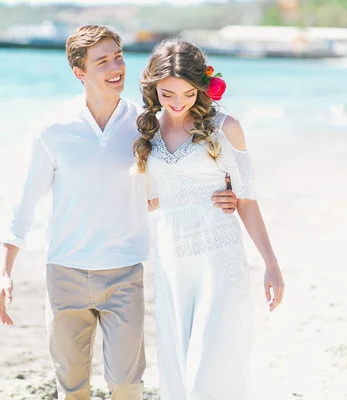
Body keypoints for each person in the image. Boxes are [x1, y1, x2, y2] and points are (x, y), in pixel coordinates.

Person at [0, 26, 238, 400]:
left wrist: (224, 193)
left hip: (124, 272)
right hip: (65, 273)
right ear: (80, 72)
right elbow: (23, 200)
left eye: (118, 57)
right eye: (103, 61)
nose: (116, 67)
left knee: (127, 384)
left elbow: (178, 175)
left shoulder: (145, 125)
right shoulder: (53, 130)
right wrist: (5, 271)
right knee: (72, 387)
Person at [133, 39, 286, 400]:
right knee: (180, 374)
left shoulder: (225, 126)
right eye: (167, 93)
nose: (177, 102)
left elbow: (246, 200)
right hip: (171, 264)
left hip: (218, 260)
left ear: (201, 86)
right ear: (153, 86)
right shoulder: (147, 131)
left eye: (187, 93)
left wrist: (271, 264)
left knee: (209, 375)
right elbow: (149, 200)